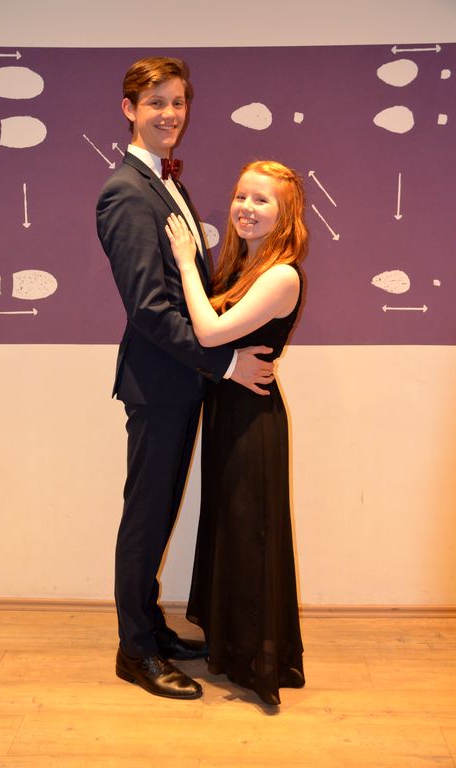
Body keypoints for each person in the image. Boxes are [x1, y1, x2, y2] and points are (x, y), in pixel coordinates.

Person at [96, 57, 275, 701]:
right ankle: (135, 651)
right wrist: (225, 364)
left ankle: (150, 628)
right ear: (129, 109)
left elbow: (186, 285)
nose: (170, 113)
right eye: (156, 102)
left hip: (179, 382)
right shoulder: (125, 191)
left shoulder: (164, 180)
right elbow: (149, 310)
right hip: (158, 384)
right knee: (146, 517)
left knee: (160, 510)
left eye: (178, 101)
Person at [165, 159, 308, 705]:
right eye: (241, 196)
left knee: (252, 535)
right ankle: (230, 648)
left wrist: (185, 262)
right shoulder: (245, 265)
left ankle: (257, 661)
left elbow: (209, 332)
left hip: (254, 421)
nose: (246, 208)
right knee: (230, 528)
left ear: (285, 213)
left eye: (261, 200)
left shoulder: (281, 274)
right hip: (230, 413)